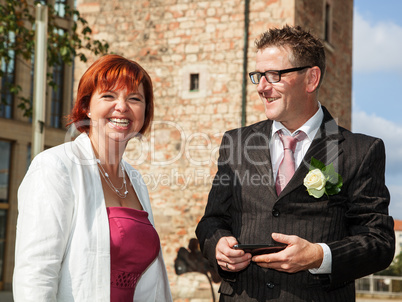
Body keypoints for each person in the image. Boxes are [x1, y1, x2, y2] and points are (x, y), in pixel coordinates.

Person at [196, 25, 395, 301]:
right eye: (258, 76)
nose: (262, 87)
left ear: (311, 78)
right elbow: (211, 221)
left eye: (274, 75)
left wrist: (318, 256)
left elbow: (379, 243)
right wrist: (218, 244)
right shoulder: (236, 143)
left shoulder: (361, 151)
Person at [13, 54, 172, 301]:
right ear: (87, 106)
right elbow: (35, 275)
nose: (122, 106)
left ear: (145, 111)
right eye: (109, 96)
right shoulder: (56, 166)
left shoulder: (136, 181)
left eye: (134, 98)